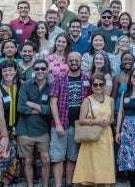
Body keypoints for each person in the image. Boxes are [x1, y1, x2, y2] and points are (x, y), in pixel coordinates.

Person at [49, 52, 90, 187]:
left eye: (76, 60)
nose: (74, 62)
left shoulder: (86, 78)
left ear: (81, 61)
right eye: (71, 60)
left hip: (78, 125)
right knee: (58, 157)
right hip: (61, 124)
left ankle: (69, 184)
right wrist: (58, 123)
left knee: (72, 157)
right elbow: (52, 102)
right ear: (67, 62)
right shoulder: (60, 78)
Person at [73, 73, 116, 185]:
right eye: (95, 84)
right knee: (93, 161)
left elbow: (112, 118)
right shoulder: (87, 100)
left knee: (104, 161)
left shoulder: (110, 100)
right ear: (91, 86)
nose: (98, 87)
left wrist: (109, 121)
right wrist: (96, 121)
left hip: (106, 134)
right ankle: (93, 182)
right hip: (92, 135)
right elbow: (81, 120)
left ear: (104, 86)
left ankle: (104, 182)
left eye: (101, 84)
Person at [17, 60, 52, 187]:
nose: (40, 71)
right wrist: (42, 109)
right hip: (25, 129)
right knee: (27, 161)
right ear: (34, 70)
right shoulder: (26, 85)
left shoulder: (51, 86)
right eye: (37, 69)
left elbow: (50, 110)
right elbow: (21, 107)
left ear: (47, 70)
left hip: (42, 130)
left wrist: (32, 105)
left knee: (46, 159)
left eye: (43, 68)